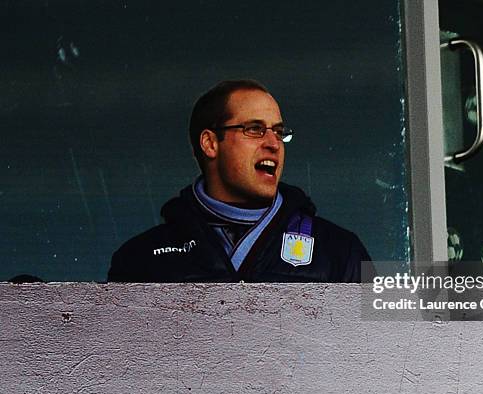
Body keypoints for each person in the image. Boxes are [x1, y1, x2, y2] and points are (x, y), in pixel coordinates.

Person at [107, 79, 371, 282]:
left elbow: (388, 347)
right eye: (255, 129)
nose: (273, 143)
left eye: (279, 132)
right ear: (210, 143)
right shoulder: (140, 258)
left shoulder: (341, 250)